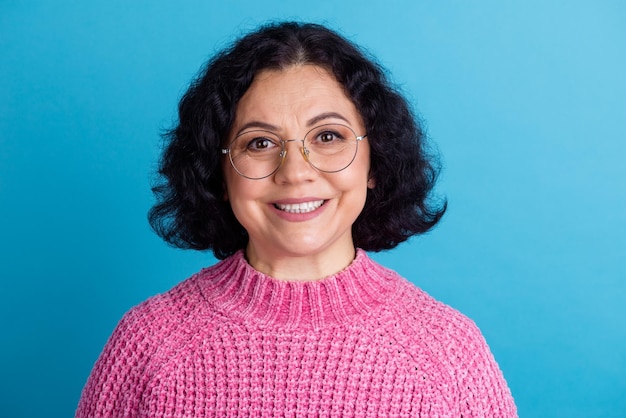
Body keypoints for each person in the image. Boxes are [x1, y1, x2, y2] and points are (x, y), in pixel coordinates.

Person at [76, 21, 517, 417]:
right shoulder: (148, 344)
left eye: (328, 136)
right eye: (260, 143)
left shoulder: (447, 351)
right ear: (219, 174)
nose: (295, 172)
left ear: (375, 161)